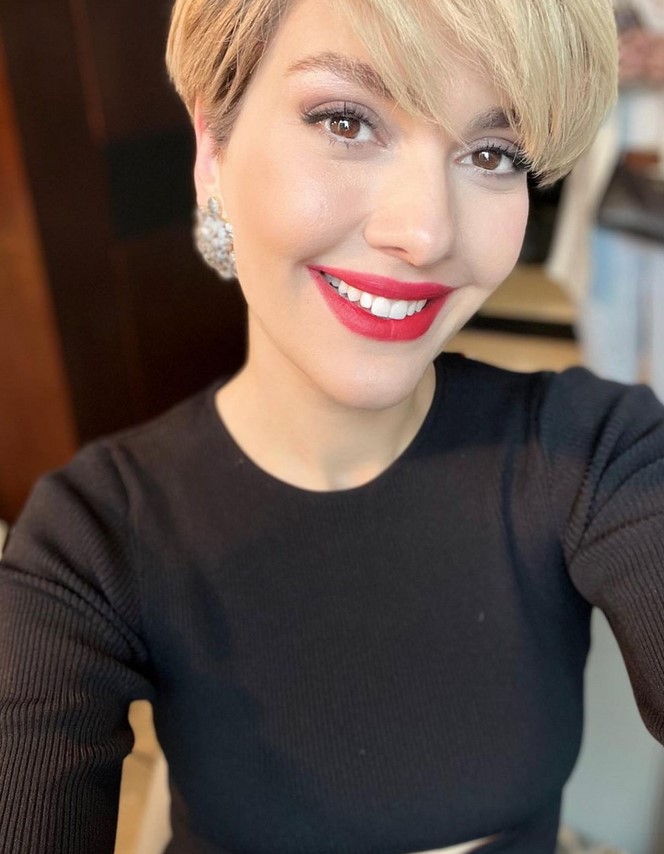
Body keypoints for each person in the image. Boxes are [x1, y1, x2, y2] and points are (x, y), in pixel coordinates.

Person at [1, 1, 660, 853]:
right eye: (346, 120)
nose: (425, 232)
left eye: (492, 153)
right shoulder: (90, 539)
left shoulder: (592, 452)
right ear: (212, 150)